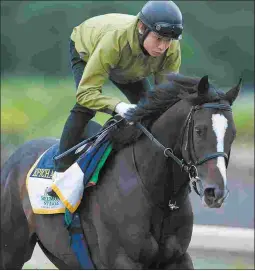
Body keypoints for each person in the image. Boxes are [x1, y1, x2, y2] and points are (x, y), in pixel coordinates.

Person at [47, 0, 183, 194]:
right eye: (159, 39)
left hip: (128, 65)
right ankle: (60, 172)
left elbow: (164, 98)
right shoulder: (114, 40)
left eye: (168, 40)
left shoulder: (172, 48)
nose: (163, 47)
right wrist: (118, 106)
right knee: (86, 107)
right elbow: (86, 93)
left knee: (151, 111)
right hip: (89, 49)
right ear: (142, 28)